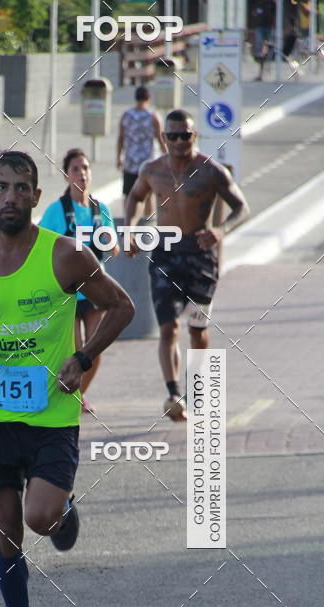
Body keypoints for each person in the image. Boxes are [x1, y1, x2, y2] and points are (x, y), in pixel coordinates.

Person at [0, 150, 134, 607]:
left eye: (21, 188)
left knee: (41, 518)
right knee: (6, 526)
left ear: (35, 197)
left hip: (51, 414)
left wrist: (82, 356)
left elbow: (122, 306)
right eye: (1, 187)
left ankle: (64, 511)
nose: (11, 196)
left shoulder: (64, 255)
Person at [123, 110, 249, 421]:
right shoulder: (152, 170)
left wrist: (220, 231)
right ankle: (172, 392)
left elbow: (241, 208)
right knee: (168, 327)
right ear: (163, 137)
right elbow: (136, 197)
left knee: (197, 328)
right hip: (166, 255)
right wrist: (129, 228)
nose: (179, 141)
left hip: (200, 259)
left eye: (185, 135)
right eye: (172, 135)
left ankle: (197, 384)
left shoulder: (210, 171)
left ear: (194, 136)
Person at [39, 148, 119, 413]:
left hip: (95, 289)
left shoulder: (101, 209)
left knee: (94, 350)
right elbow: (42, 249)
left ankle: (78, 395)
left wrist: (111, 241)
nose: (82, 174)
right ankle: (66, 395)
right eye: (76, 169)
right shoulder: (56, 211)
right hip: (67, 292)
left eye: (85, 168)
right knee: (73, 350)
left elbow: (113, 247)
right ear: (66, 175)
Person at [116, 86, 166, 217]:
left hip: (130, 161)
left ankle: (127, 221)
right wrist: (167, 157)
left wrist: (118, 157)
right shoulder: (153, 116)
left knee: (128, 193)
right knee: (148, 195)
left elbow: (121, 138)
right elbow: (161, 139)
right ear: (148, 98)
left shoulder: (126, 115)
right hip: (147, 162)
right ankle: (147, 223)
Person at [251, 0, 276, 80]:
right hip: (261, 26)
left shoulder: (271, 3)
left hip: (268, 27)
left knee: (267, 45)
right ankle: (260, 56)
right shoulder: (259, 3)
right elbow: (254, 12)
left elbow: (275, 15)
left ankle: (263, 56)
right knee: (260, 45)